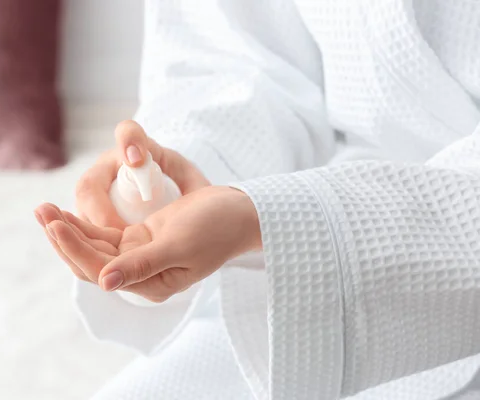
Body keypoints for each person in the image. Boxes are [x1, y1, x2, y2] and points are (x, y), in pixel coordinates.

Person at [33, 0, 480, 398]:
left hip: (332, 242)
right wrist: (179, 181)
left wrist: (278, 219)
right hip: (310, 302)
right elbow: (236, 53)